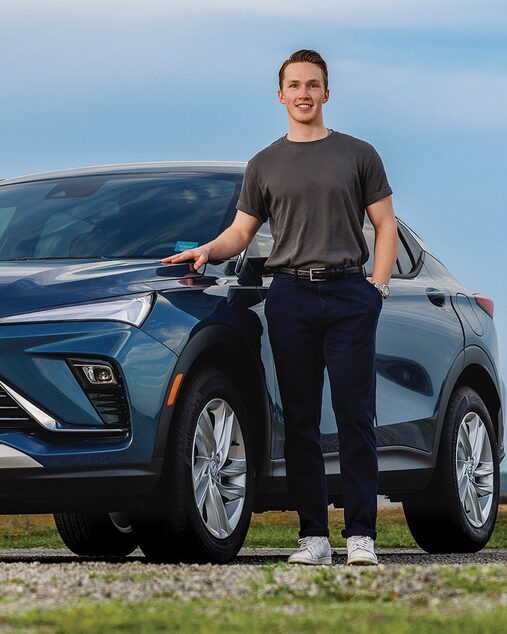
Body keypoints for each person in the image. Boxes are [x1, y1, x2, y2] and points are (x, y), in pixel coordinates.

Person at [160, 49, 396, 566]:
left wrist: (376, 288)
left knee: (357, 416)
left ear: (326, 93)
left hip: (350, 295)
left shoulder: (359, 155)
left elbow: (385, 225)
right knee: (302, 419)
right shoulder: (263, 164)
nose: (304, 94)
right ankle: (313, 538)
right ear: (281, 94)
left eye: (313, 85)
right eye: (295, 85)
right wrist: (205, 250)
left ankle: (361, 537)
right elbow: (241, 233)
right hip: (289, 297)